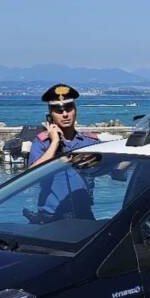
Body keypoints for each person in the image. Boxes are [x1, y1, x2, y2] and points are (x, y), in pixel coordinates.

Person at [27, 84, 100, 220]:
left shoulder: (90, 142)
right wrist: (54, 142)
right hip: (51, 217)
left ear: (75, 111)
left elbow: (116, 169)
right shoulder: (42, 143)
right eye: (59, 111)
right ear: (50, 116)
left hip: (84, 215)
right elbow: (31, 176)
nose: (65, 114)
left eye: (69, 109)